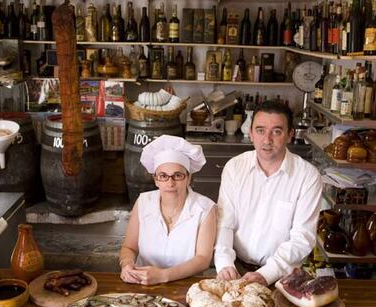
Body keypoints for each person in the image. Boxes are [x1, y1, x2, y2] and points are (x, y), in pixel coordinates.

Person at [215, 101, 322, 286]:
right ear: (251, 133)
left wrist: (267, 273)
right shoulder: (234, 167)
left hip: (283, 275)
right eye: (260, 130)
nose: (267, 140)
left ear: (290, 135)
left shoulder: (308, 176)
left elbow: (302, 237)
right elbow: (225, 224)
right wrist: (224, 264)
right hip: (236, 269)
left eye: (277, 131)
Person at [119, 135, 217, 285]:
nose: (170, 183)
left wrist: (164, 275)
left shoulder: (205, 208)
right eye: (163, 176)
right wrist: (126, 265)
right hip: (142, 283)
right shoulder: (143, 202)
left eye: (177, 175)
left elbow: (203, 259)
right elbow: (129, 247)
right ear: (156, 179)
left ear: (188, 178)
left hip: (187, 285)